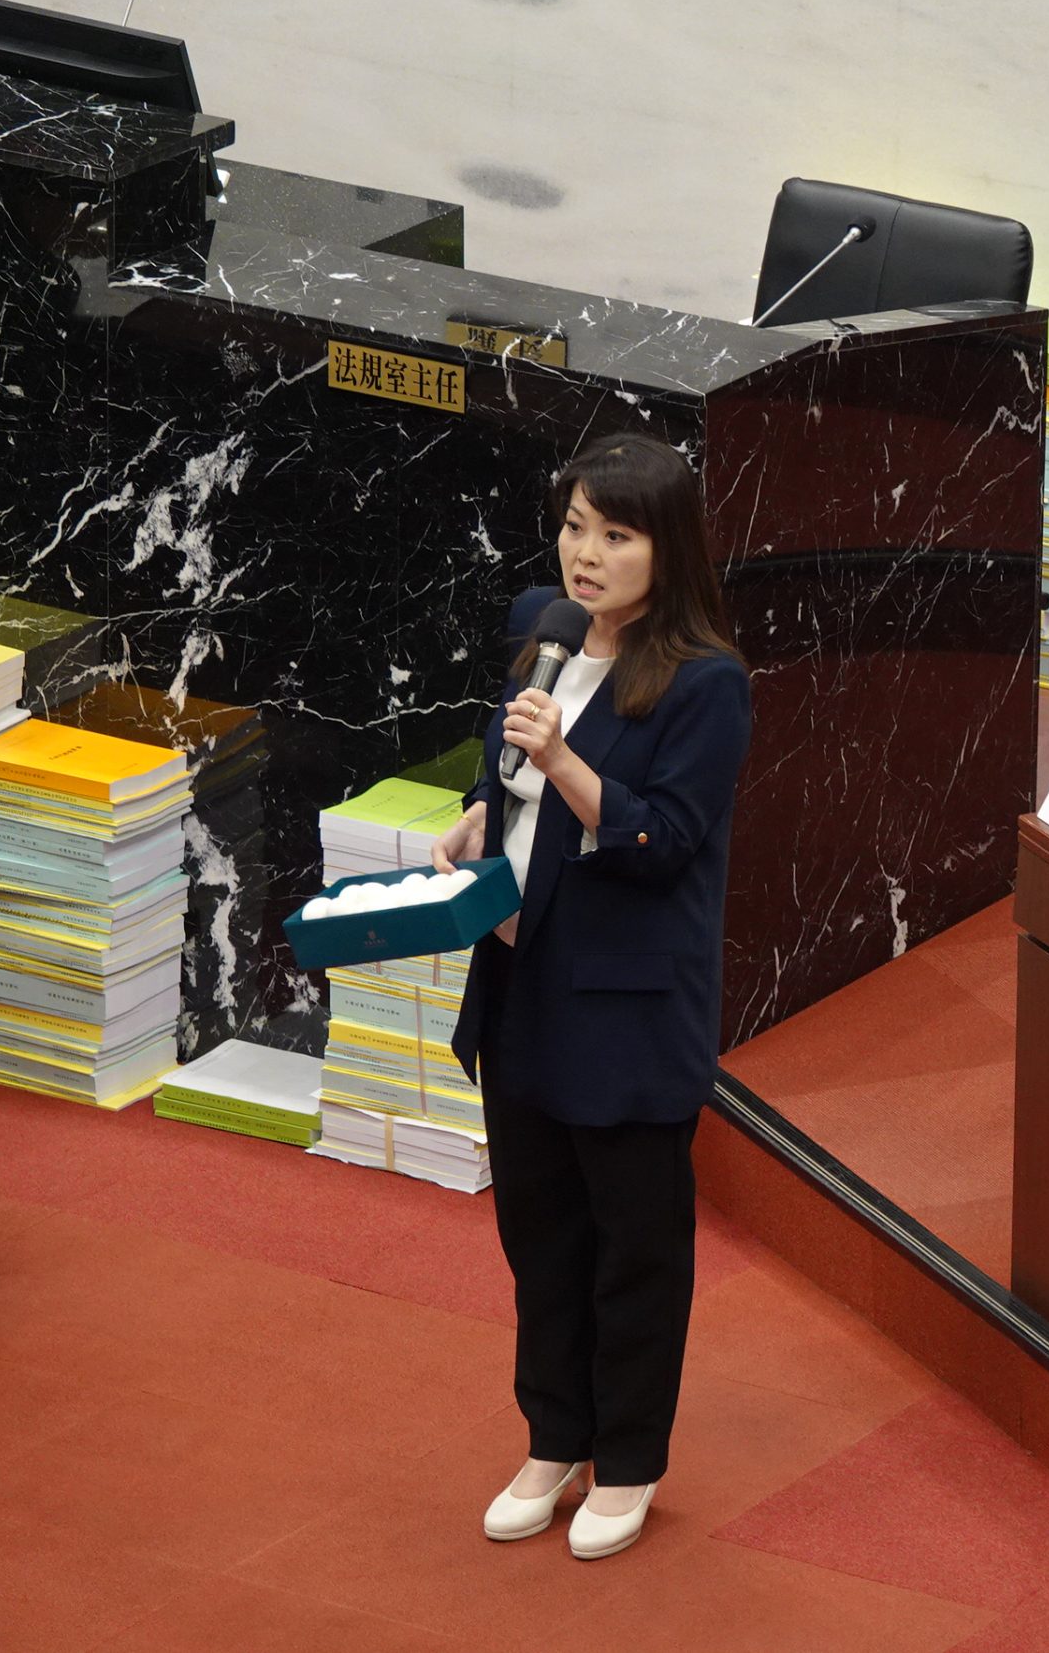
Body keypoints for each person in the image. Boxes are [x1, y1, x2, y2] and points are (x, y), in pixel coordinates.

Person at [432, 433, 752, 1560]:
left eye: (616, 535)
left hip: (622, 1008)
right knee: (540, 1235)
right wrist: (484, 818)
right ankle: (552, 1437)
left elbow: (661, 839)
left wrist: (564, 765)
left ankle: (628, 1462)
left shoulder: (706, 682)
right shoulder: (541, 628)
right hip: (520, 979)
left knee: (634, 1247)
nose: (586, 554)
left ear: (669, 550)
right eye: (576, 526)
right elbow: (510, 778)